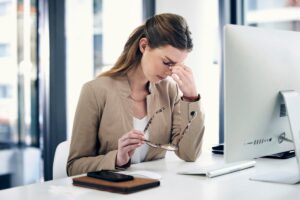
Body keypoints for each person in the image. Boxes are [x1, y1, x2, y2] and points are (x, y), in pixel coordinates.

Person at [67, 13, 205, 176]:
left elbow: (189, 154)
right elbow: (73, 167)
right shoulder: (95, 91)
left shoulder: (169, 91)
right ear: (144, 46)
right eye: (167, 62)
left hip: (157, 190)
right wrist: (117, 159)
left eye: (176, 66)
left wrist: (191, 98)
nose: (170, 72)